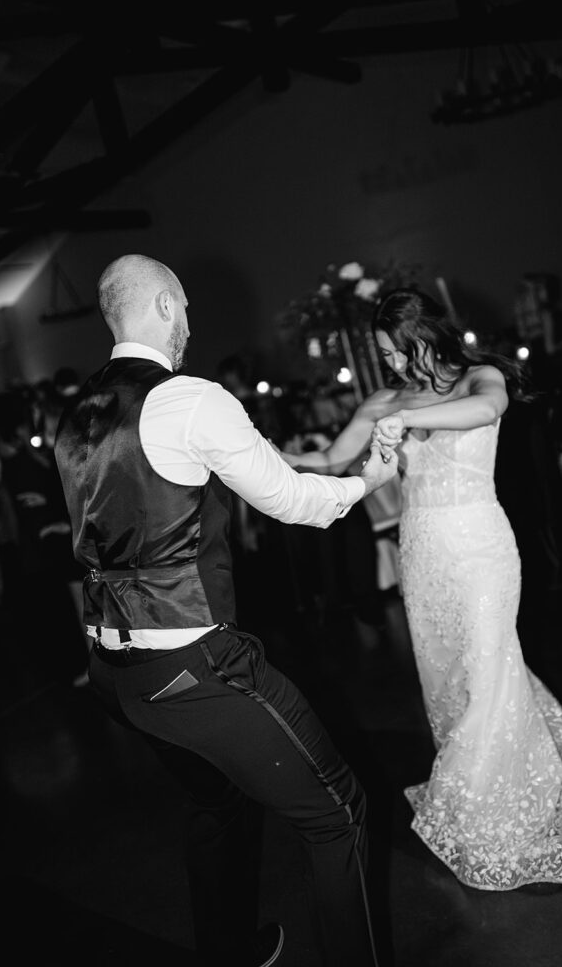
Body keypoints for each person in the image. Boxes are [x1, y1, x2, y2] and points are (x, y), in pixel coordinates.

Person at [53, 254, 398, 967]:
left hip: (111, 673)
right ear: (164, 307)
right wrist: (371, 479)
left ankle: (231, 948)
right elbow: (294, 503)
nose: (190, 322)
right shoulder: (190, 398)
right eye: (183, 306)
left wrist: (318, 460)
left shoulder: (76, 412)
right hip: (194, 669)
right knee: (338, 816)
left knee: (217, 802)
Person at [285, 287, 562, 890]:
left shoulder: (477, 380)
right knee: (447, 676)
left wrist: (407, 417)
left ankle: (483, 804)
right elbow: (335, 459)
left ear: (422, 336)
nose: (389, 364)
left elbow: (486, 412)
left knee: (489, 668)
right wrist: (269, 457)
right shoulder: (384, 399)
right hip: (422, 553)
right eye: (382, 353)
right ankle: (481, 777)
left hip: (482, 549)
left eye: (394, 350)